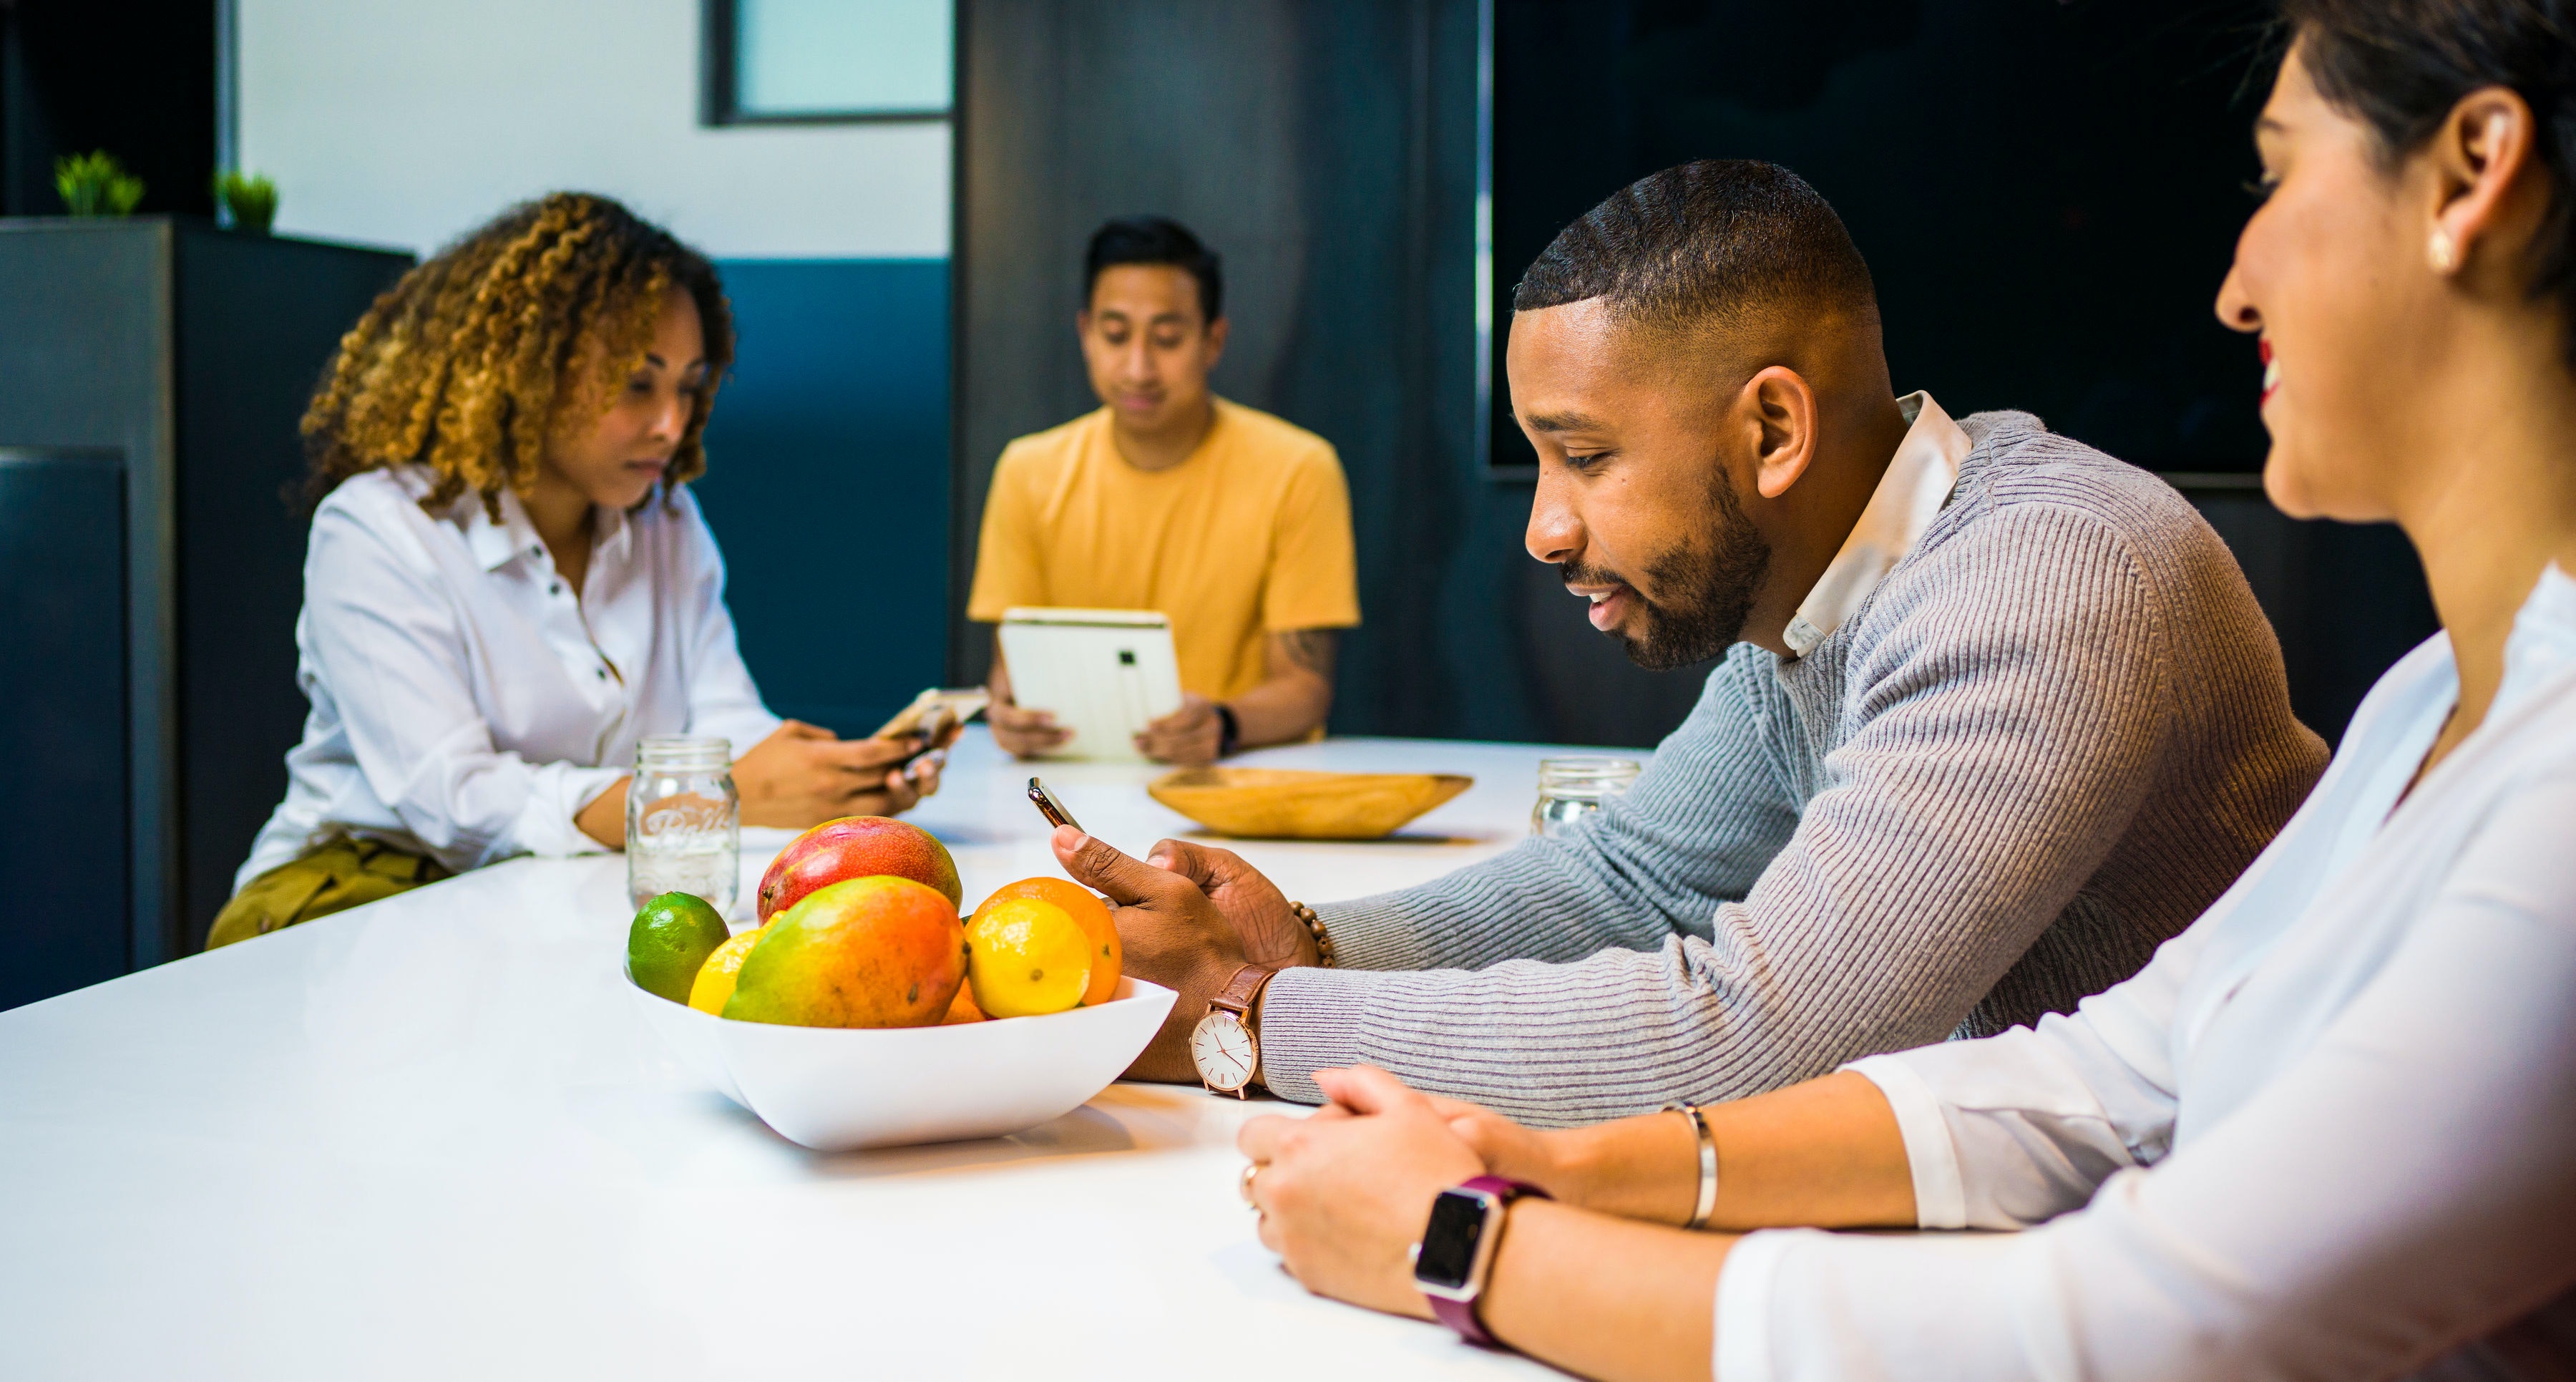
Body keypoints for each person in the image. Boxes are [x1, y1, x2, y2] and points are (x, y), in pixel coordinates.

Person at [1235, 5, 2576, 1377]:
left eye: (2279, 174)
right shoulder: (2432, 700)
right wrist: (1556, 1149)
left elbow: (2131, 1326)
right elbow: (2103, 1082)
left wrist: (1458, 1238)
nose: (2235, 284)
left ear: (2473, 172)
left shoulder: (2062, 569)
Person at [1055, 162, 2328, 1123]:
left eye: (1587, 456)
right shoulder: (1827, 591)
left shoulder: (2042, 575)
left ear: (1772, 431)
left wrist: (1251, 1018)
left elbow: (1759, 1032)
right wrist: (1307, 940)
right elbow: (1635, 878)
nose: (1545, 530)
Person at [210, 193, 945, 949]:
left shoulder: (663, 519)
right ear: (525, 371)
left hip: (552, 888)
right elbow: (458, 800)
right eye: (638, 382)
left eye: (690, 387)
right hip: (355, 897)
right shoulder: (377, 527)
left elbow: (720, 725)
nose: (672, 422)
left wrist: (837, 779)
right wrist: (718, 796)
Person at [967, 216, 1360, 766]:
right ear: (1085, 332)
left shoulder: (1298, 468)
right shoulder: (1027, 470)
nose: (1138, 367)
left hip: (1234, 776)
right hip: (1070, 778)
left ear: (1213, 340)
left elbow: (1304, 684)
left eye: (1168, 338)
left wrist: (1222, 724)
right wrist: (1009, 712)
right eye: (1115, 334)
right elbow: (1012, 668)